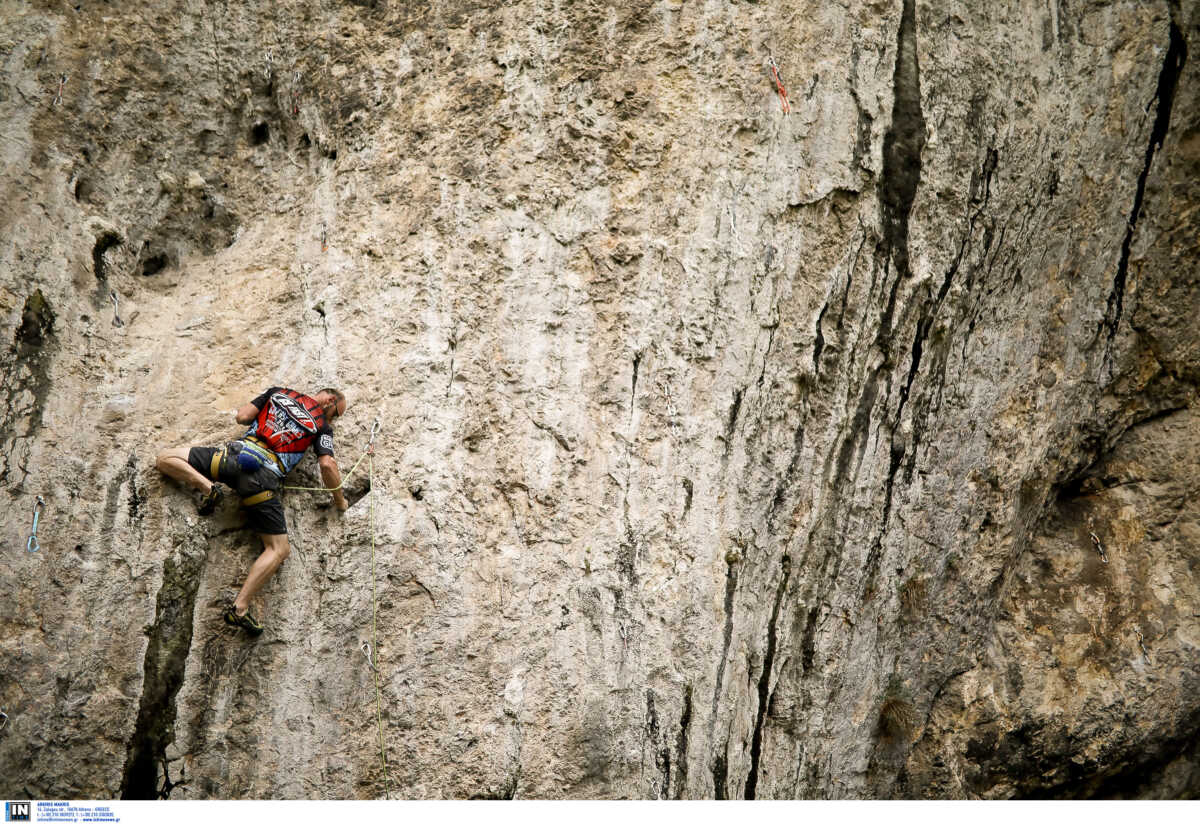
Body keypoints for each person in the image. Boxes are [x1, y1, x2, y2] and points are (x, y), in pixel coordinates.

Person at [155, 386, 349, 636]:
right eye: (335, 413)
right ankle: (240, 607)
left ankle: (207, 488)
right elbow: (327, 464)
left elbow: (243, 417)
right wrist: (340, 500)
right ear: (330, 400)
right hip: (261, 480)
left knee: (165, 458)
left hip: (231, 458)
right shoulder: (322, 425)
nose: (332, 418)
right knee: (278, 549)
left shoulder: (278, 392)